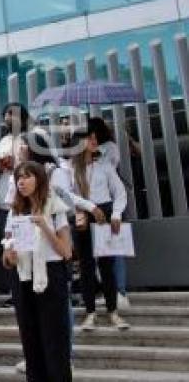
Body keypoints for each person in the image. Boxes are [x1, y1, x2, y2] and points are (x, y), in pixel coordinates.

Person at [2, 162, 73, 382]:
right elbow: (6, 259)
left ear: (39, 179)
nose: (21, 182)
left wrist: (45, 227)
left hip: (50, 276)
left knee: (55, 341)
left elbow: (66, 251)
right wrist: (10, 256)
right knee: (30, 341)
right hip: (23, 277)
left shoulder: (55, 208)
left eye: (27, 177)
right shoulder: (14, 211)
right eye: (18, 178)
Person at [70, 130, 130, 331]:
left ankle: (113, 311)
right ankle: (90, 313)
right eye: (90, 139)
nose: (95, 142)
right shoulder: (69, 168)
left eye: (95, 138)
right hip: (83, 215)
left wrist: (116, 214)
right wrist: (90, 207)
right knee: (86, 266)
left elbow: (120, 192)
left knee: (107, 265)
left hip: (104, 213)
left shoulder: (104, 166)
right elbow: (65, 194)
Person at [88, 117, 130, 310]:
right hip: (93, 208)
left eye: (92, 135)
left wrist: (95, 155)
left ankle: (120, 292)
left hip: (112, 206)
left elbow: (110, 167)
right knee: (99, 254)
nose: (91, 140)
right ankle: (107, 291)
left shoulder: (110, 147)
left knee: (116, 251)